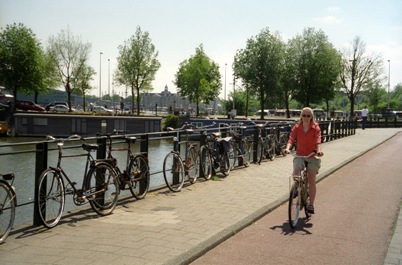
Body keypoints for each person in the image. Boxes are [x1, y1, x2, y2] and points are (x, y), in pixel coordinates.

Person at [284, 107, 324, 214]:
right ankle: (296, 189)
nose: (306, 118)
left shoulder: (316, 128)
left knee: (311, 177)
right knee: (296, 173)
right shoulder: (297, 128)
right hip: (300, 155)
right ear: (301, 116)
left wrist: (319, 151)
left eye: (308, 115)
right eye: (304, 115)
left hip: (312, 156)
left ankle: (311, 204)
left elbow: (318, 141)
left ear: (311, 117)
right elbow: (291, 139)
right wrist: (287, 148)